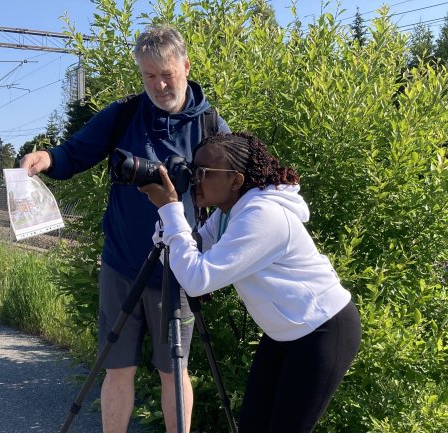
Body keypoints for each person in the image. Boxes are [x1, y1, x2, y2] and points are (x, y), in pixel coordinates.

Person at [20, 25, 229, 433]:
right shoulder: (125, 114)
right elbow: (74, 152)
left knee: (174, 372)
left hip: (178, 269)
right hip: (122, 264)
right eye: (149, 76)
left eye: (166, 74)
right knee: (117, 369)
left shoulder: (210, 127)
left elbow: (234, 194)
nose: (159, 85)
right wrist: (46, 158)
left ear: (186, 66)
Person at [140, 132, 362, 432]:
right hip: (284, 332)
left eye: (204, 172)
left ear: (235, 180)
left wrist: (170, 210)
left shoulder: (262, 216)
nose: (194, 179)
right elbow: (182, 261)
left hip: (322, 328)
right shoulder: (227, 215)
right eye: (193, 169)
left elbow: (197, 280)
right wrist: (168, 216)